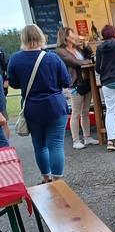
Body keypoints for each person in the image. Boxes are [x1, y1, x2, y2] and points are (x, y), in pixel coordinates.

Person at [7, 25, 71, 183]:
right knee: (56, 144)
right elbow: (66, 81)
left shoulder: (15, 59)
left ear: (23, 39)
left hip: (32, 108)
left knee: (39, 145)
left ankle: (46, 177)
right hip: (55, 107)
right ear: (41, 37)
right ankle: (57, 180)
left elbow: (13, 83)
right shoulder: (52, 57)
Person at [55, 27, 98, 150]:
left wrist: (86, 46)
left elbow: (89, 56)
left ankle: (87, 137)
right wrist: (88, 61)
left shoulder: (77, 48)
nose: (75, 36)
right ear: (66, 37)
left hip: (86, 81)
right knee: (75, 112)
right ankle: (76, 140)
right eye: (72, 34)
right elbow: (75, 62)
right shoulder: (61, 51)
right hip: (75, 83)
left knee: (85, 111)